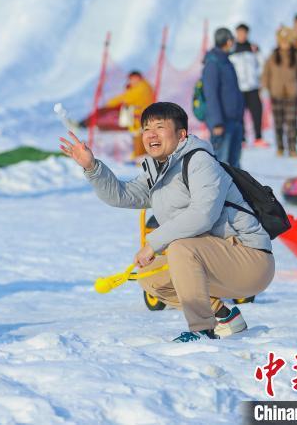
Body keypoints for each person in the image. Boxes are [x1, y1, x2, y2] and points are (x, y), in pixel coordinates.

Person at [60, 102, 274, 342]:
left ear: (181, 134)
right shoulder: (158, 171)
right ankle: (224, 316)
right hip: (214, 258)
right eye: (146, 128)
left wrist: (153, 243)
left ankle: (202, 329)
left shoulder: (200, 161)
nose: (150, 134)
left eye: (160, 127)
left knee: (181, 247)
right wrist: (92, 167)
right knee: (150, 277)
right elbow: (122, 195)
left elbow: (203, 214)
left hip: (250, 259)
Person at [261, 27, 297, 157]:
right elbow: (266, 73)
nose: (285, 44)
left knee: (292, 122)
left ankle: (292, 148)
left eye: (287, 41)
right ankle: (280, 147)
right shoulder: (273, 55)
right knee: (278, 123)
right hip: (275, 93)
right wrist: (265, 87)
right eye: (282, 42)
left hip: (292, 93)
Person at [203, 28, 245, 168]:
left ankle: (236, 191)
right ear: (227, 41)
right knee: (222, 164)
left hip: (234, 120)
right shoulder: (213, 63)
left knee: (235, 166)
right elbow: (211, 94)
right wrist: (216, 123)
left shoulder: (226, 61)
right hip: (222, 124)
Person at [229, 24, 267, 147]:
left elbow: (262, 64)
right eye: (239, 33)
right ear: (236, 34)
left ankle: (258, 138)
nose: (242, 35)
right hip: (239, 88)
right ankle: (242, 139)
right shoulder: (232, 49)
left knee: (257, 113)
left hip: (253, 87)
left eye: (244, 33)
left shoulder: (253, 48)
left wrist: (258, 79)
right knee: (239, 115)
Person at [104, 70, 155, 158]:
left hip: (141, 117)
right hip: (139, 117)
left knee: (140, 136)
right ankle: (139, 156)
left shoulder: (142, 87)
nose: (131, 81)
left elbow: (126, 97)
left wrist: (110, 103)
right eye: (130, 79)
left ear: (138, 78)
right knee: (139, 136)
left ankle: (140, 157)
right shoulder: (141, 86)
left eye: (132, 79)